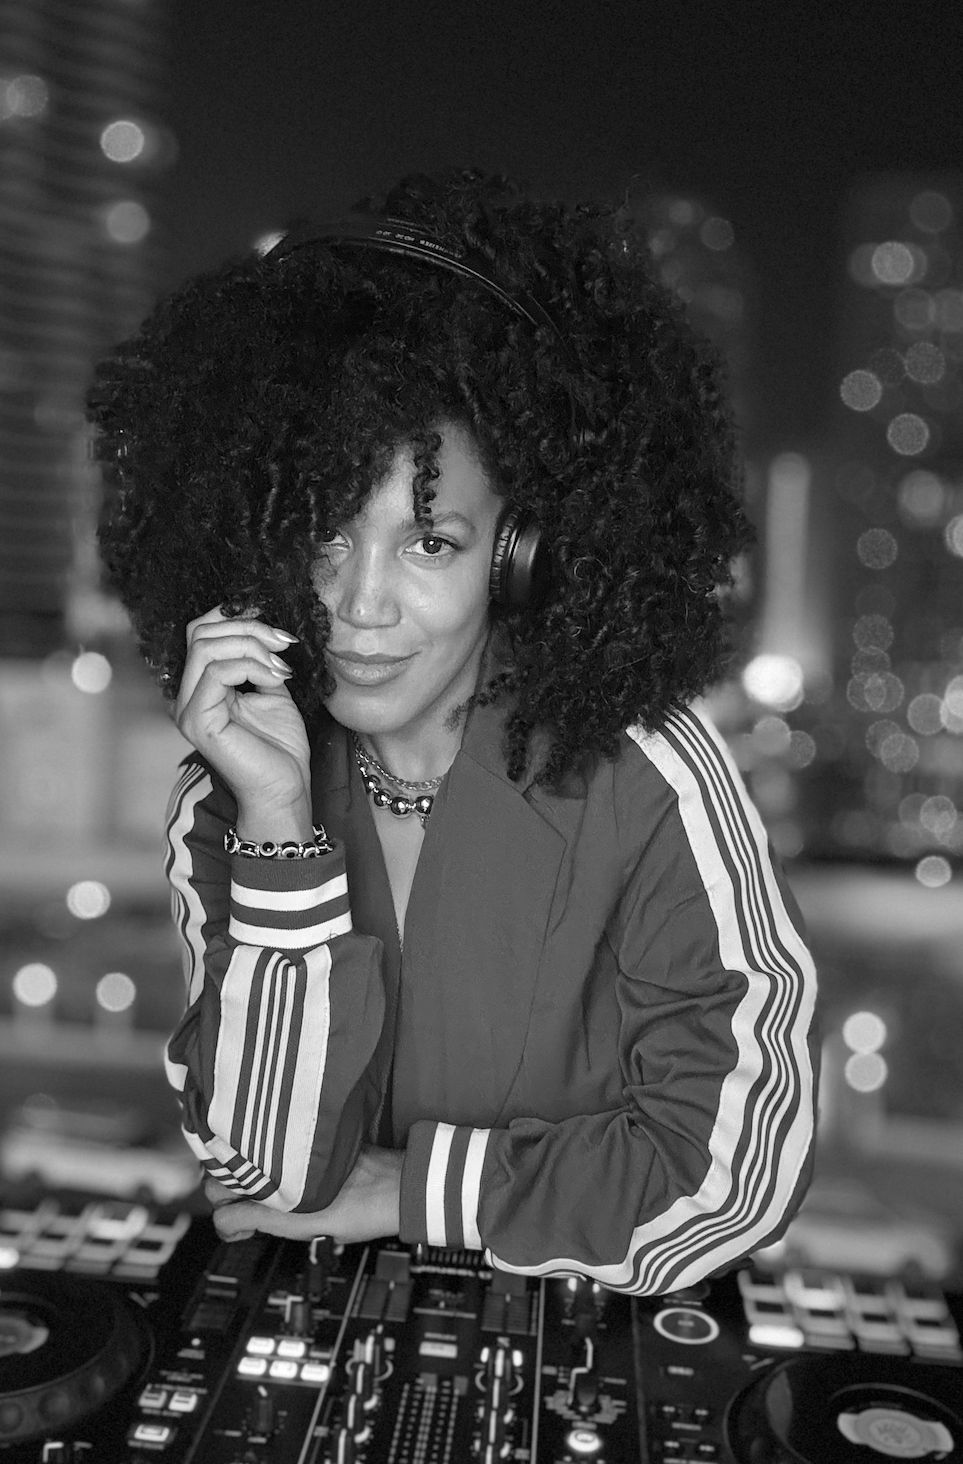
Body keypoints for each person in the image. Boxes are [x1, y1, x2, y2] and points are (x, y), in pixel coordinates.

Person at [89, 169, 817, 1294]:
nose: (361, 604)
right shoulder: (233, 794)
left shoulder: (651, 772)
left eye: (429, 542)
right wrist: (280, 827)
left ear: (516, 558)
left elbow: (734, 1166)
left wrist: (411, 1188)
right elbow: (264, 1172)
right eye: (326, 538)